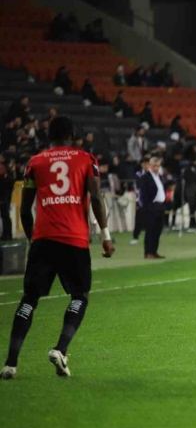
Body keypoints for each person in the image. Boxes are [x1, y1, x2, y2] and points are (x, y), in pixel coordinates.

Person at [0, 115, 115, 380]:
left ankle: (10, 364)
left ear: (49, 136)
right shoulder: (86, 160)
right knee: (79, 296)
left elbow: (24, 209)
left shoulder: (35, 162)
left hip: (43, 241)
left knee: (29, 299)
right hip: (74, 240)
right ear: (72, 135)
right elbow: (96, 198)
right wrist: (106, 235)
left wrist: (33, 240)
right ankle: (60, 349)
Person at [138, 156, 166, 259]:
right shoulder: (145, 178)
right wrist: (146, 207)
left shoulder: (160, 177)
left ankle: (154, 251)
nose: (156, 168)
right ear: (150, 166)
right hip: (151, 206)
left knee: (158, 230)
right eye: (154, 166)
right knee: (150, 230)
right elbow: (144, 195)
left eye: (158, 166)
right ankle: (148, 252)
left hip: (160, 206)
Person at [130, 158, 149, 245]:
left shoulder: (152, 174)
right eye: (145, 164)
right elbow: (138, 187)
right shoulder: (138, 174)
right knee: (138, 219)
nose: (146, 166)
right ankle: (135, 237)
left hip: (150, 199)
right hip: (141, 200)